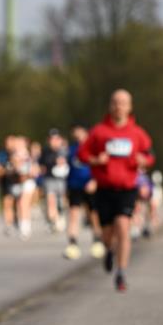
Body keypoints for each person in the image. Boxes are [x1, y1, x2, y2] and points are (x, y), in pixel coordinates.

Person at [78, 89, 154, 292]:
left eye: (123, 103)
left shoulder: (137, 133)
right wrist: (96, 160)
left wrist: (143, 161)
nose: (118, 106)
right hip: (104, 188)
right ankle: (109, 250)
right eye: (115, 102)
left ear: (129, 107)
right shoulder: (99, 131)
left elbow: (149, 155)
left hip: (127, 188)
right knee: (107, 234)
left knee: (123, 226)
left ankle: (121, 273)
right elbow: (82, 154)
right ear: (110, 106)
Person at [64, 126, 104, 259]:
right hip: (75, 186)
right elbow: (67, 170)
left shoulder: (94, 149)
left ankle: (97, 241)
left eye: (81, 133)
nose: (78, 136)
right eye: (76, 134)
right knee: (74, 214)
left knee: (93, 214)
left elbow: (101, 167)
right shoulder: (71, 150)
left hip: (90, 185)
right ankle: (72, 243)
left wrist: (95, 181)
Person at [40, 129, 69, 233]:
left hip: (62, 180)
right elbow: (41, 165)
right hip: (49, 179)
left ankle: (61, 214)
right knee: (50, 200)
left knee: (61, 201)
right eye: (52, 139)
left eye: (56, 139)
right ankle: (54, 221)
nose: (54, 141)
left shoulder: (64, 150)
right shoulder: (45, 151)